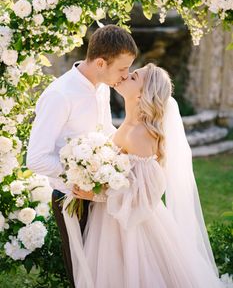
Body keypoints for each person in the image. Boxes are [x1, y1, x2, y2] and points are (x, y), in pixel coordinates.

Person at [69, 63, 224, 288]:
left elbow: (145, 196)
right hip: (113, 220)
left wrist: (95, 195)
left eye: (133, 77)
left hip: (133, 228)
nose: (125, 76)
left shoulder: (142, 133)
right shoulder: (130, 124)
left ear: (143, 93)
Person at [26, 24, 137, 288]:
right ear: (100, 62)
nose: (126, 75)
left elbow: (104, 131)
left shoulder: (102, 87)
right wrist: (83, 176)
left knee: (106, 272)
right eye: (122, 69)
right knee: (83, 274)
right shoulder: (59, 96)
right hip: (71, 199)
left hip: (100, 195)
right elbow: (37, 158)